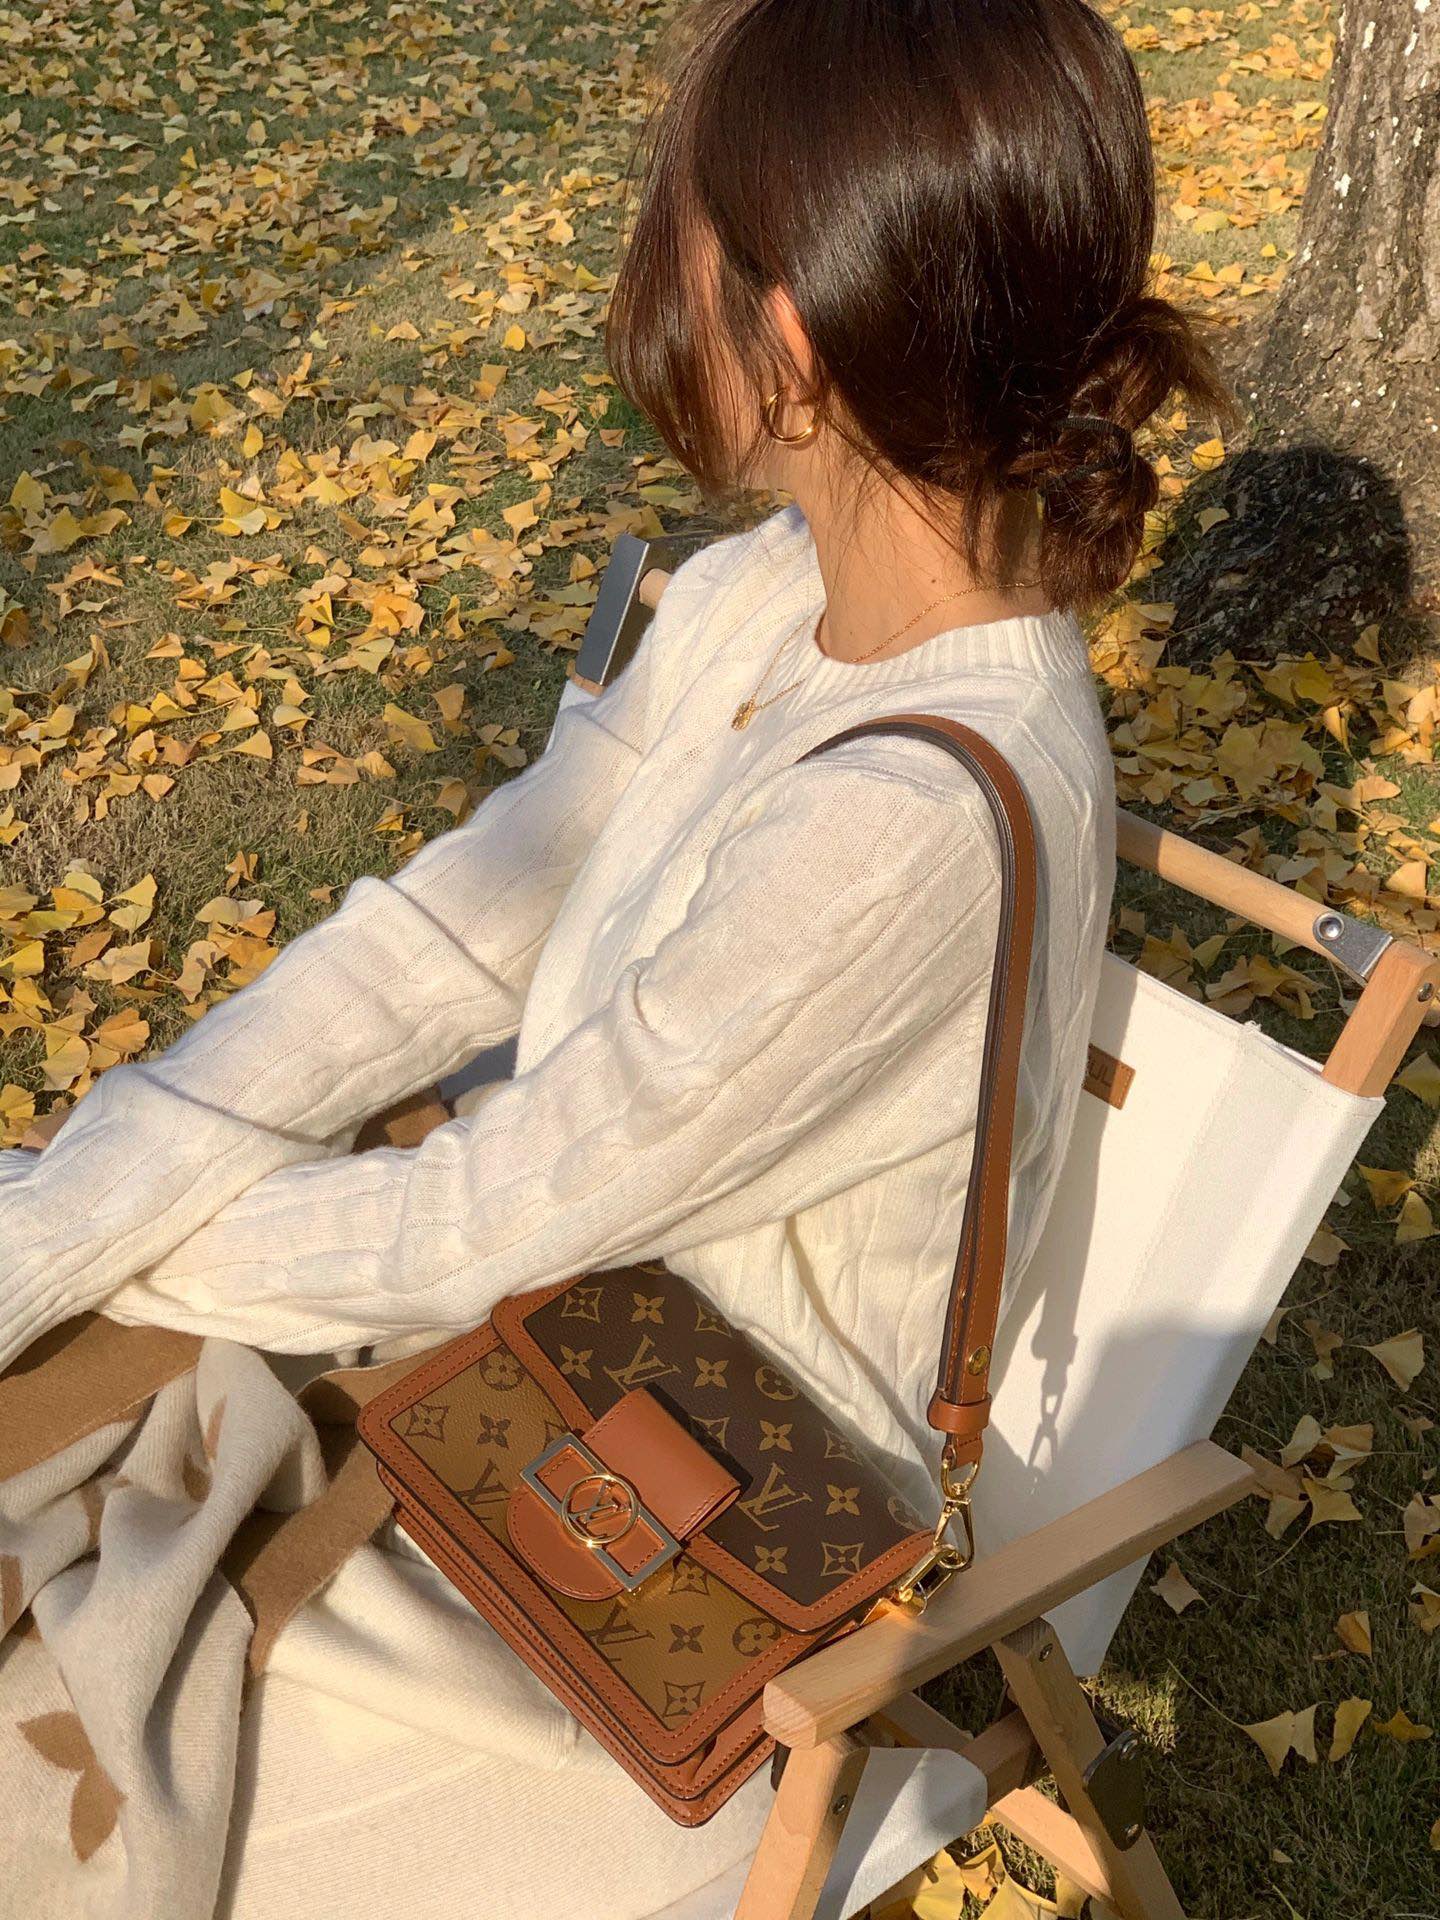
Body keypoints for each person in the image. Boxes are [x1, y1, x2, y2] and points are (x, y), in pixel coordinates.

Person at [0, 1, 1231, 1915]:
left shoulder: (904, 827)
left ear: (794, 339)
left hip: (682, 1550)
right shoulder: (769, 594)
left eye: (674, 242)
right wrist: (92, 1188)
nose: (633, 285)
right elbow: (450, 936)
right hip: (524, 1350)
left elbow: (480, 1223)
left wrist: (103, 1233)